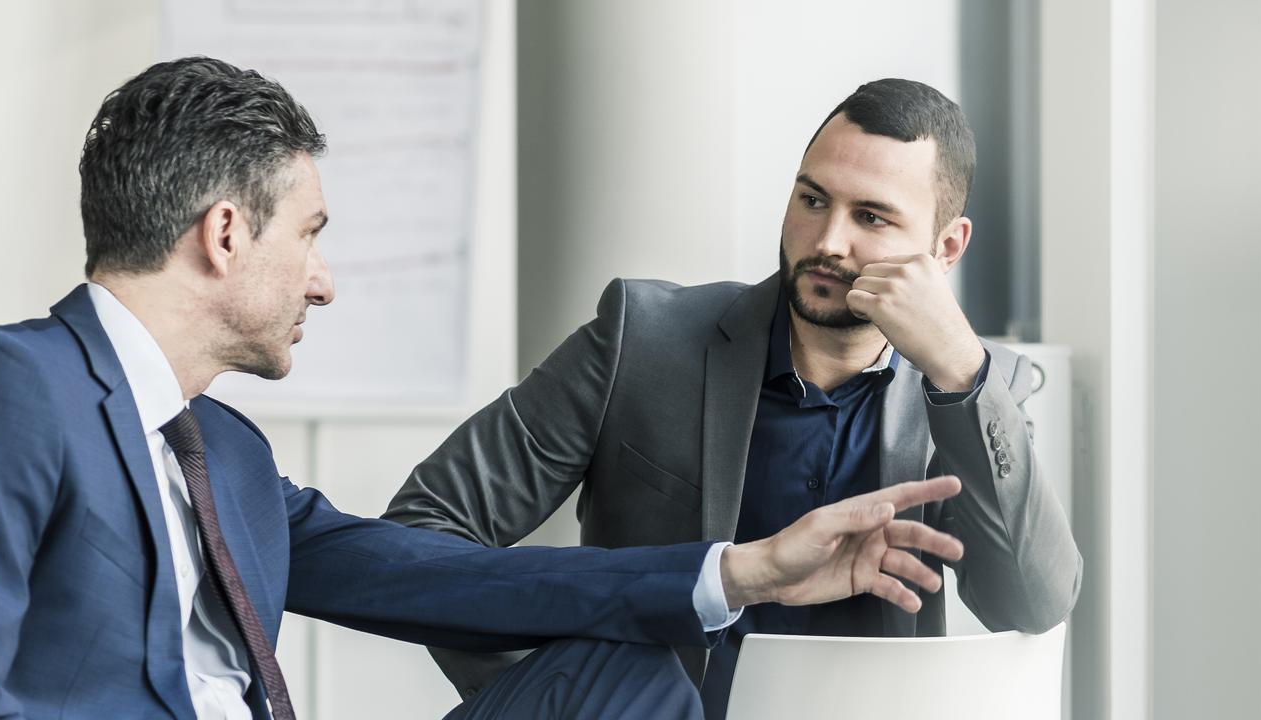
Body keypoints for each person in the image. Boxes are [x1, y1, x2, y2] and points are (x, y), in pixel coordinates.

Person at [0, 57, 966, 720]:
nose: (325, 281)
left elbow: (452, 578)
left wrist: (740, 574)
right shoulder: (14, 384)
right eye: (311, 237)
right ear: (223, 235)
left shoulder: (232, 460)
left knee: (630, 678)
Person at [384, 78, 1081, 716]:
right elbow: (426, 528)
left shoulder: (972, 393)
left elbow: (1033, 600)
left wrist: (963, 372)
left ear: (946, 247)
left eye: (871, 218)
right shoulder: (643, 341)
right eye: (813, 200)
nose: (827, 241)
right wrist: (555, 691)